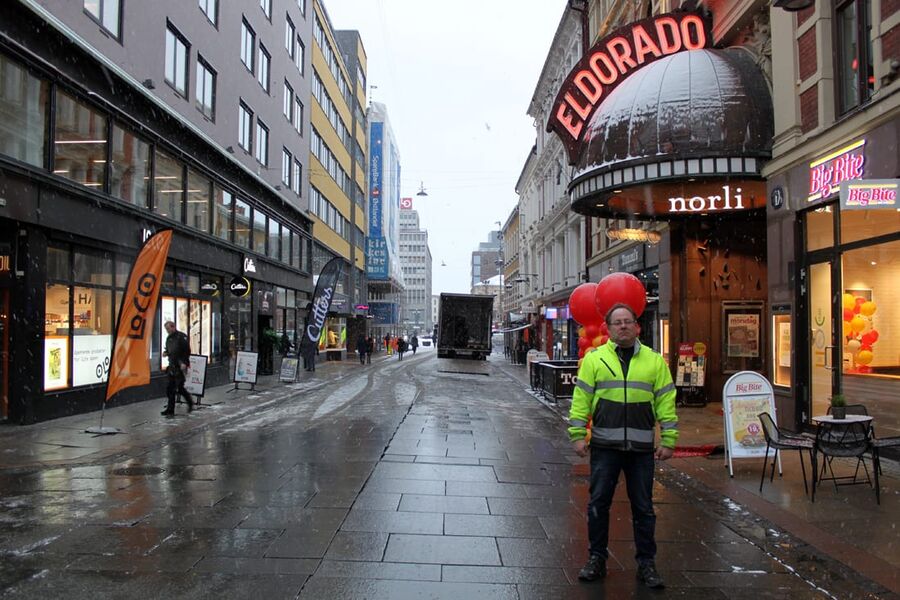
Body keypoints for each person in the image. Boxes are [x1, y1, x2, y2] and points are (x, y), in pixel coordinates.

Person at [568, 303, 678, 589]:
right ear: (608, 328)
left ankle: (646, 564)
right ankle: (596, 559)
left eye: (628, 321)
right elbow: (581, 400)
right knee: (598, 504)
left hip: (641, 449)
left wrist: (669, 439)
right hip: (605, 446)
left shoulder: (654, 361)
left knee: (644, 508)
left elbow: (666, 401)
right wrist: (577, 435)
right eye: (617, 322)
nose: (623, 326)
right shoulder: (594, 360)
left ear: (637, 326)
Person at [162, 321, 193, 416]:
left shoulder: (181, 337)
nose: (167, 331)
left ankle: (190, 403)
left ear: (173, 327)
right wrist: (166, 353)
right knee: (170, 388)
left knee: (179, 388)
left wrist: (184, 363)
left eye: (168, 328)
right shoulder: (169, 338)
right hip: (172, 365)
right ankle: (170, 409)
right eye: (166, 329)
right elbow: (170, 350)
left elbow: (187, 351)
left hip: (180, 366)